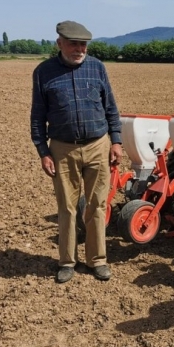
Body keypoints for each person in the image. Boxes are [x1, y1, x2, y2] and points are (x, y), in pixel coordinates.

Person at [31, 20, 123, 283]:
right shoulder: (43, 72)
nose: (79, 49)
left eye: (83, 44)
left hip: (98, 146)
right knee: (67, 208)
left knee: (97, 205)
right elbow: (37, 116)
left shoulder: (97, 68)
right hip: (62, 149)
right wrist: (43, 151)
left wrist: (116, 141)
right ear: (59, 43)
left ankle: (98, 261)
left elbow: (111, 108)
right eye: (73, 44)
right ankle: (67, 262)